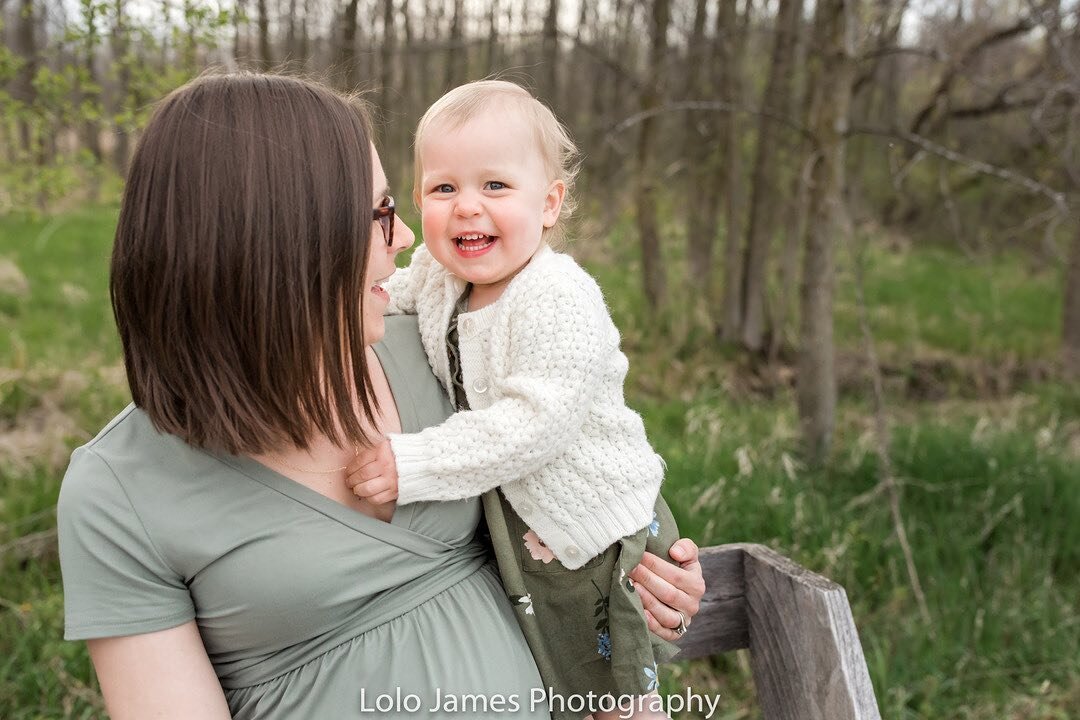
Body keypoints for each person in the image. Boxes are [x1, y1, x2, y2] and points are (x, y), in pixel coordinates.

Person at [56, 72, 705, 720]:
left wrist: (649, 580)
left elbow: (556, 456)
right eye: (381, 215)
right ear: (283, 243)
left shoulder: (434, 350)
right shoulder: (121, 490)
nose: (405, 240)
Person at [346, 80, 680, 720]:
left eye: (495, 187)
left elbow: (534, 427)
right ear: (419, 201)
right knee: (553, 681)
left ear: (549, 204)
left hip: (597, 529)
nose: (467, 207)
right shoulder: (443, 279)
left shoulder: (556, 297)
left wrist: (411, 464)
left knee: (612, 698)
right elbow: (388, 292)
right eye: (445, 189)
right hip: (530, 533)